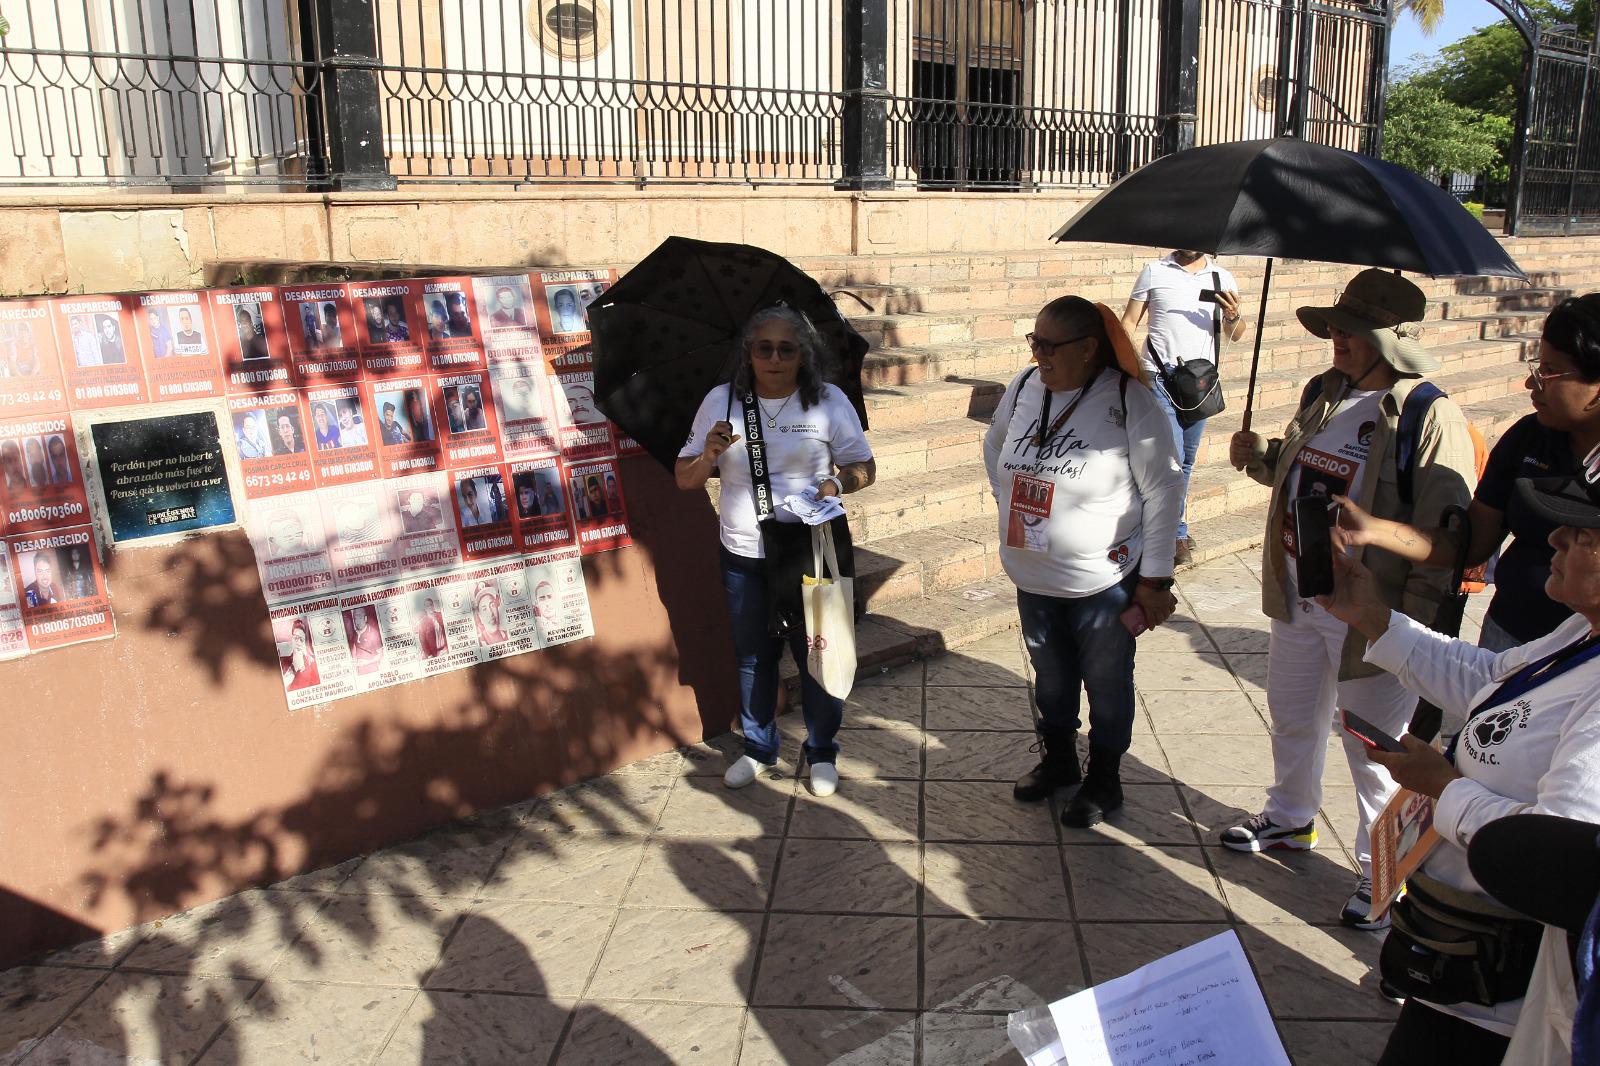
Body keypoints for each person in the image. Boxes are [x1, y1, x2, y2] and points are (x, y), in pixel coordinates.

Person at [1219, 269, 1479, 929]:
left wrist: (1407, 627)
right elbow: (1301, 473)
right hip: (1302, 595)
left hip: (1373, 614)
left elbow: (1446, 535)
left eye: (1352, 327)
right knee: (1293, 716)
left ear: (1387, 338)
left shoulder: (1428, 413)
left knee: (1376, 753)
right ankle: (1288, 818)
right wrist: (1262, 457)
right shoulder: (1325, 392)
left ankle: (1382, 872)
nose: (1337, 335)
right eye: (1335, 323)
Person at [1316, 466, 1600, 1065]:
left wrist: (1447, 790)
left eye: (1582, 535)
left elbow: (1557, 860)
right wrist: (1372, 616)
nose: (1553, 539)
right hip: (1462, 970)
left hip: (1511, 999)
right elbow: (1491, 681)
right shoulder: (1583, 633)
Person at [985, 295, 1182, 827]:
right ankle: (1058, 761)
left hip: (1104, 582)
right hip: (1033, 578)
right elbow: (995, 442)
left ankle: (1105, 778)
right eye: (1034, 342)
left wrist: (1156, 578)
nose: (1039, 355)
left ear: (1089, 348)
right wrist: (1008, 505)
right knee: (1050, 680)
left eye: (1050, 345)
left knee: (1106, 681)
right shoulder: (1025, 387)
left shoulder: (1129, 399)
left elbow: (1164, 488)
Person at [677, 305, 875, 798]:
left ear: (803, 355)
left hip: (811, 550)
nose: (774, 357)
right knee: (752, 657)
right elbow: (684, 480)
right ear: (748, 353)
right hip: (744, 552)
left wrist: (835, 484)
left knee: (819, 655)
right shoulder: (720, 402)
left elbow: (865, 467)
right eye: (763, 347)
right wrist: (708, 455)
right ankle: (760, 748)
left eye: (787, 348)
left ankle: (823, 750)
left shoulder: (828, 402)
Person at [1336, 294, 1600, 657]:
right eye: (1536, 365)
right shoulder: (1528, 438)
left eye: (1550, 372)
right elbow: (1468, 545)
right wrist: (1373, 529)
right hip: (1512, 641)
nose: (1531, 383)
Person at [1121, 250, 1247, 567]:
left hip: (1199, 385)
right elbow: (1129, 321)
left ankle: (1166, 526)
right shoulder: (1154, 271)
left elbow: (1238, 333)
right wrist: (1124, 367)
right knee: (1173, 458)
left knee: (1187, 460)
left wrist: (1232, 316)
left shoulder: (1221, 278)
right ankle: (1173, 533)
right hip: (1158, 377)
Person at [281, 618, 320, 691]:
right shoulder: (283, 661)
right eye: (296, 638)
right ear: (292, 639)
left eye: (301, 639)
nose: (298, 642)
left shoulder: (311, 664)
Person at [348, 608, 383, 674]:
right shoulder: (355, 633)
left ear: (365, 618)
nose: (357, 622)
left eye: (360, 618)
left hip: (372, 671)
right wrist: (354, 659)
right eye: (355, 619)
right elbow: (355, 649)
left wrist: (366, 662)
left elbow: (380, 655)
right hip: (359, 671)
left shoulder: (373, 633)